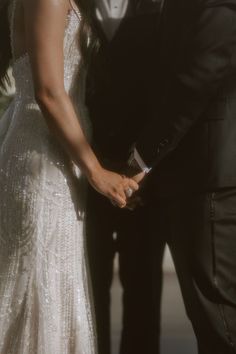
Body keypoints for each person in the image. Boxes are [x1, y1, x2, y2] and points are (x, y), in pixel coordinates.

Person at [0, 0, 139, 353]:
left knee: (54, 282)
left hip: (60, 158)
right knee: (37, 283)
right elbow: (48, 92)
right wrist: (97, 172)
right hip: (43, 161)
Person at [124, 0, 236, 353]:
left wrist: (141, 158)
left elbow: (199, 73)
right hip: (199, 174)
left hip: (208, 176)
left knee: (220, 324)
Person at [85, 1, 164, 354]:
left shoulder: (160, 6)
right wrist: (94, 167)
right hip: (83, 175)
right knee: (87, 292)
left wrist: (143, 168)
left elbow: (169, 89)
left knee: (144, 294)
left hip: (145, 178)